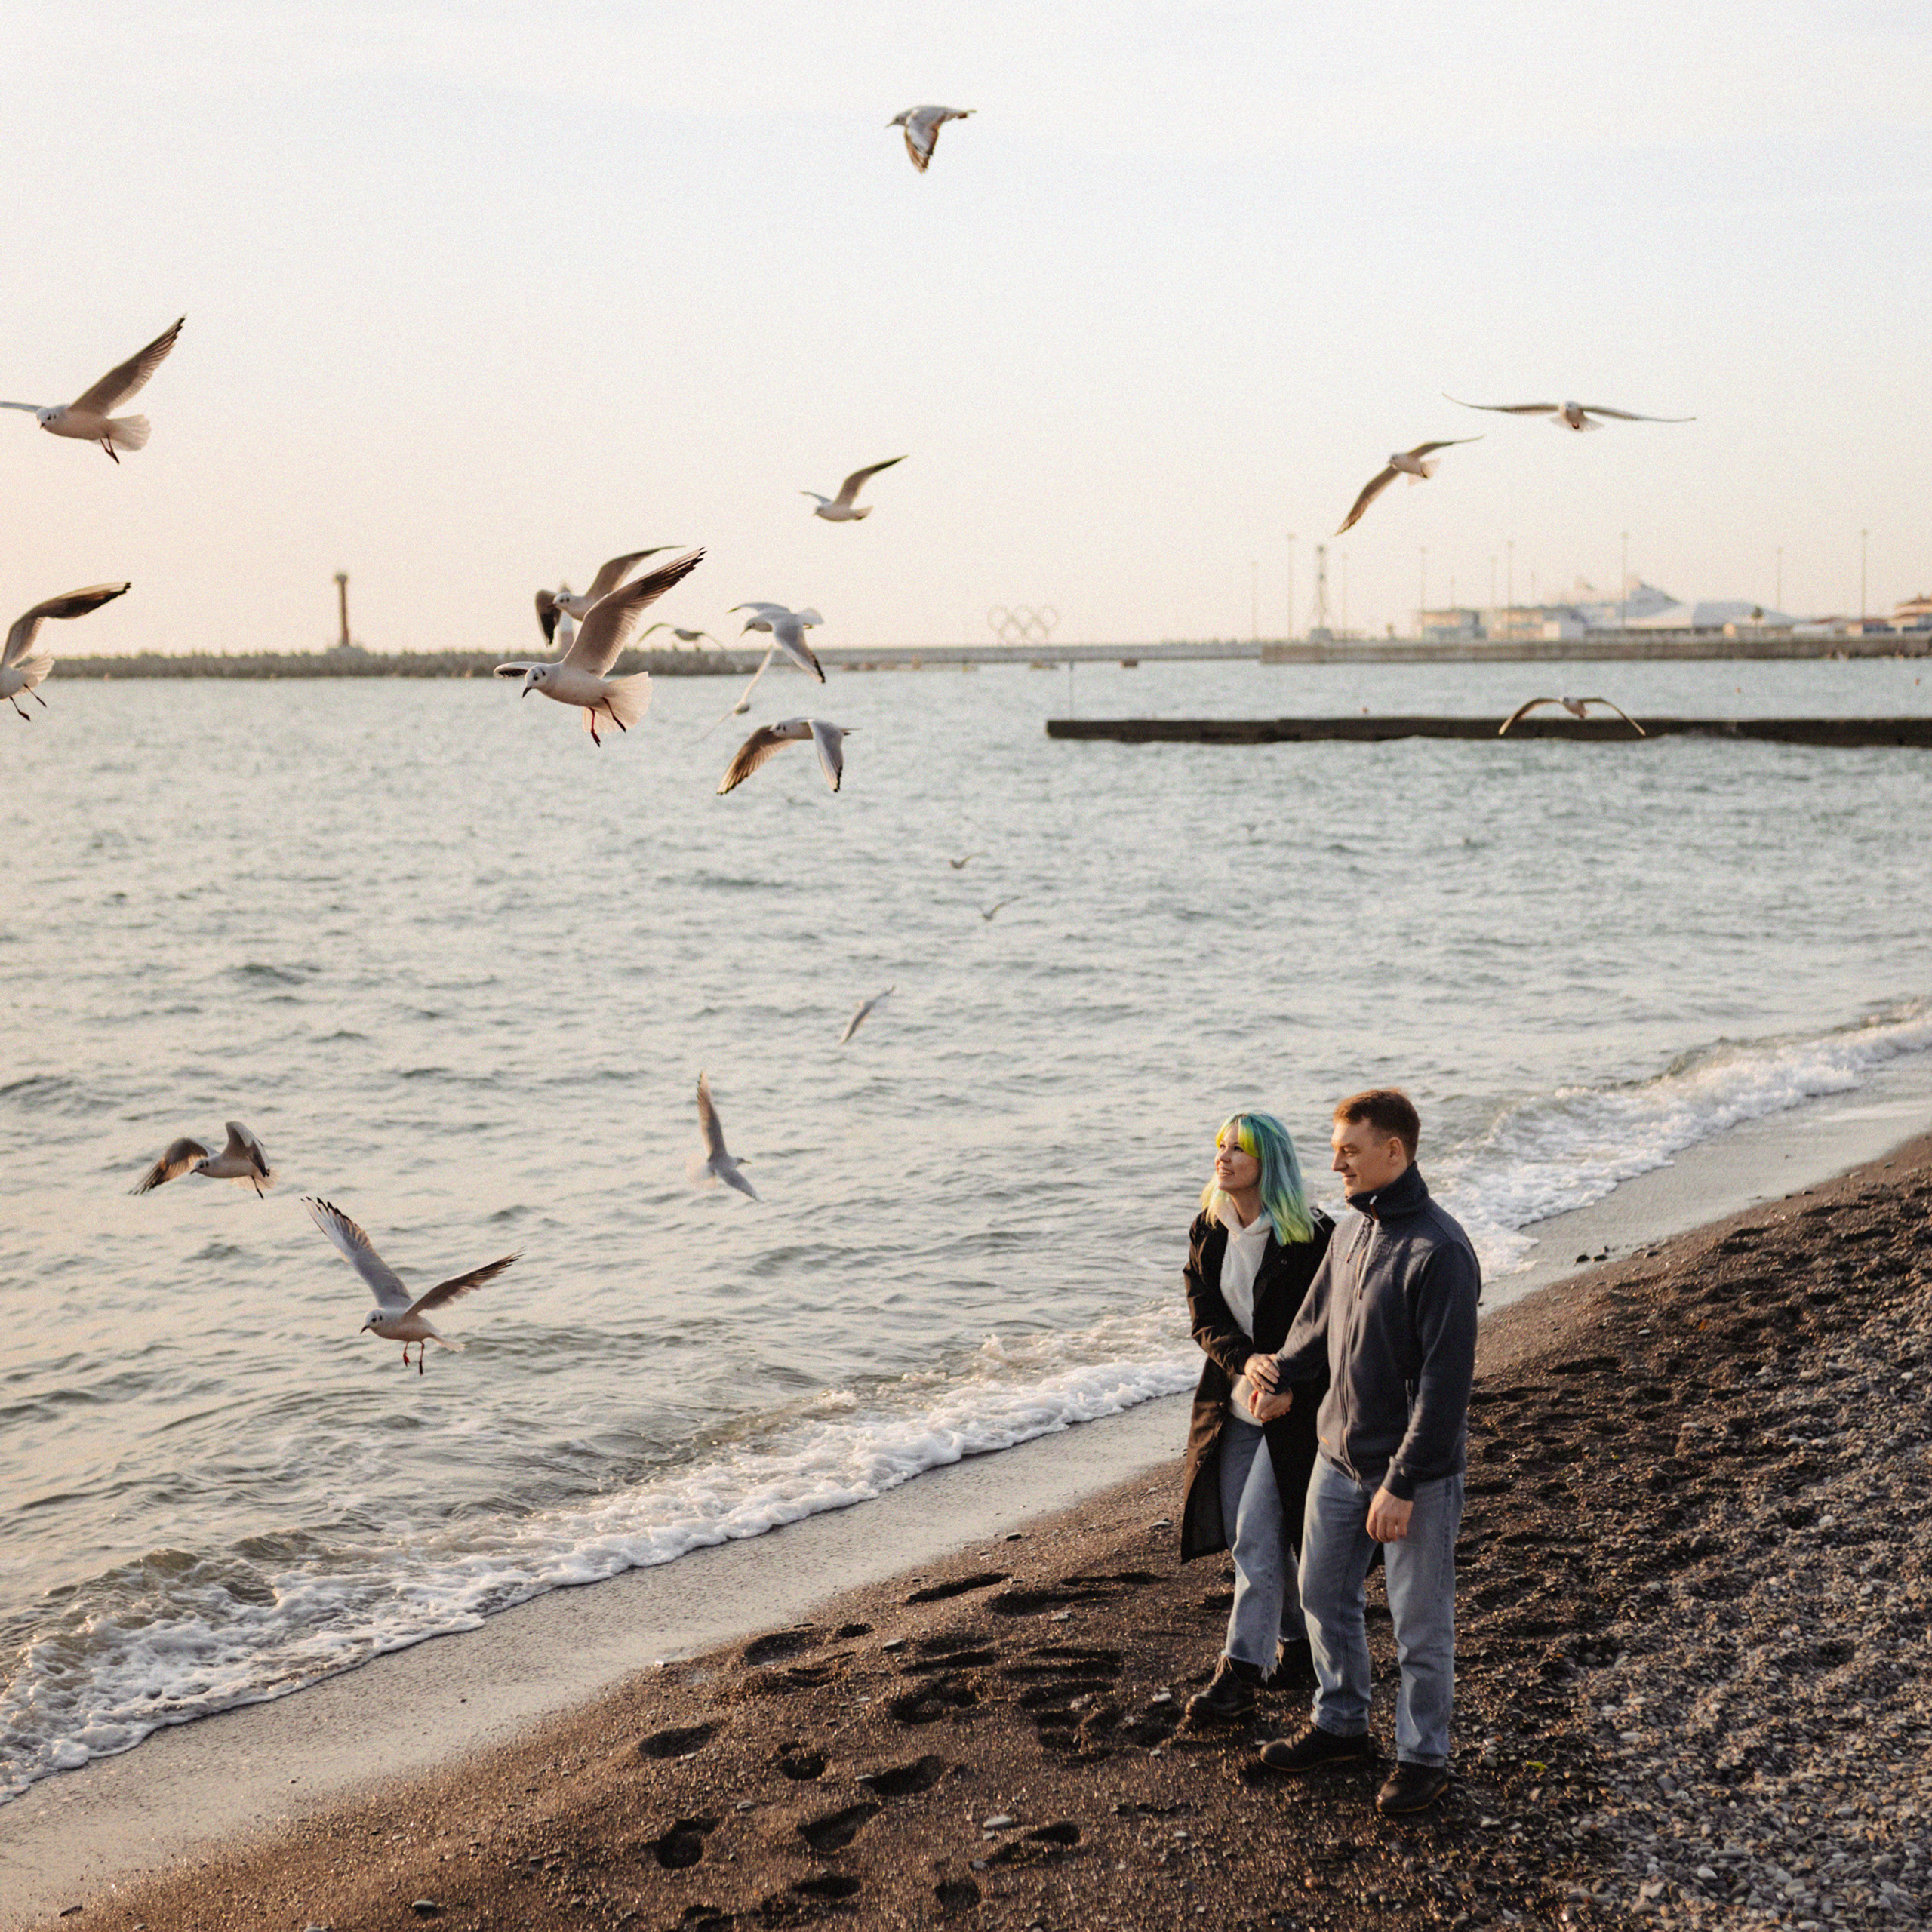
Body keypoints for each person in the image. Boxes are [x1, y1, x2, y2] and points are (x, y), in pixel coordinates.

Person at [1245, 1088, 1480, 1814]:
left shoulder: (1441, 1252)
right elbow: (1315, 1325)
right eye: (1334, 1149)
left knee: (1419, 1626)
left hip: (1414, 1475)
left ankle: (1423, 1757)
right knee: (1320, 1594)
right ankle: (1341, 1724)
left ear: (1394, 1151)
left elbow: (1445, 1390)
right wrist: (1279, 1377)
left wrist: (1402, 1482)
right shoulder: (1350, 1232)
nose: (1336, 1164)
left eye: (1350, 1150)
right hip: (1335, 1457)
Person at [1177, 1112, 1334, 1724]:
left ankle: (1239, 1672)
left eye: (1239, 1149)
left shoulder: (1312, 1235)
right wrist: (1247, 1364)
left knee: (1256, 1532)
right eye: (1220, 1145)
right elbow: (1205, 1317)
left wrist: (1288, 1381)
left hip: (1298, 1407)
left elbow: (1329, 1326)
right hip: (1235, 1403)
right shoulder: (1208, 1227)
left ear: (1269, 1162)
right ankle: (1296, 1646)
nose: (1224, 1156)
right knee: (1254, 1533)